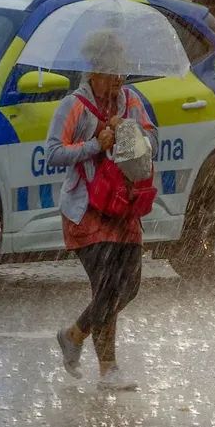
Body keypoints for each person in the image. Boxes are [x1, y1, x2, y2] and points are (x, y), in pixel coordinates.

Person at [48, 32, 157, 391]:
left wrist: (128, 132)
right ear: (93, 70)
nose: (118, 79)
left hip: (124, 206)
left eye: (121, 71)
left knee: (129, 287)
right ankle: (108, 369)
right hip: (87, 210)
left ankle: (74, 335)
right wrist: (95, 144)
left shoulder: (131, 102)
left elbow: (153, 140)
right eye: (111, 71)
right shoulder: (74, 106)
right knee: (107, 285)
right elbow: (54, 153)